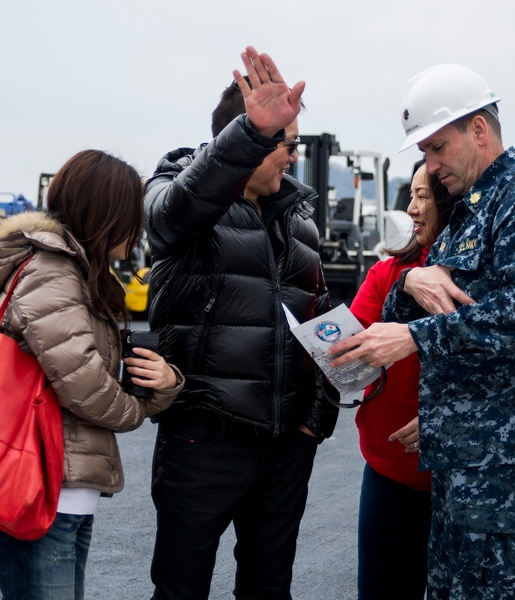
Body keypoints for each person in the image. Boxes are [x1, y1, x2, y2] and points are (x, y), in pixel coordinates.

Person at [330, 64, 515, 599]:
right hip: (459, 462)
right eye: (424, 151)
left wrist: (415, 338)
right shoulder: (471, 210)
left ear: (480, 130)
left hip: (501, 465)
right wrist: (412, 280)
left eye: (438, 147)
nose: (430, 164)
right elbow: (427, 299)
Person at [144, 46, 338, 600]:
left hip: (285, 447)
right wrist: (252, 132)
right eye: (283, 142)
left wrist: (314, 422)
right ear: (241, 135)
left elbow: (319, 320)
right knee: (181, 590)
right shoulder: (177, 184)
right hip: (203, 439)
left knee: (270, 590)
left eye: (295, 142)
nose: (292, 158)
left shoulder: (300, 221)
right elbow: (175, 213)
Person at [0, 149, 184, 600]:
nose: (139, 228)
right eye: (132, 215)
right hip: (40, 493)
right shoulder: (53, 272)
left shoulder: (73, 271)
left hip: (59, 491)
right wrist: (146, 405)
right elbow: (84, 386)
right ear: (104, 213)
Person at [351, 160, 459, 600]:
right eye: (410, 196)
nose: (412, 209)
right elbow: (348, 356)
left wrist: (443, 416)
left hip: (457, 479)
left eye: (424, 196)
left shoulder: (475, 274)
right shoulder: (385, 273)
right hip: (388, 476)